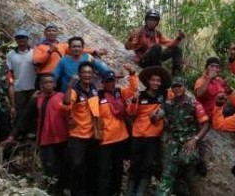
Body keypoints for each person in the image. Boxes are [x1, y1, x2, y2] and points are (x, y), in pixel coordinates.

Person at [1, 73, 69, 195]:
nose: (49, 85)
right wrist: (12, 137)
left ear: (54, 84)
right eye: (45, 83)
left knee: (64, 169)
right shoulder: (37, 99)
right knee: (50, 170)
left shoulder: (61, 96)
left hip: (63, 140)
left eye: (51, 82)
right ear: (40, 85)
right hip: (46, 141)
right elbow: (24, 119)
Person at [156, 77, 210, 196]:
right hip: (174, 141)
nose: (177, 89)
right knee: (167, 172)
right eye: (174, 86)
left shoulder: (194, 103)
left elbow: (206, 124)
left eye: (179, 86)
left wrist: (195, 139)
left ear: (185, 87)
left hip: (189, 140)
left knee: (184, 159)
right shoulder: (169, 104)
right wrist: (155, 115)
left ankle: (198, 159)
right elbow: (158, 115)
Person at [127, 66, 172, 196]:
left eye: (158, 81)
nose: (156, 83)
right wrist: (134, 100)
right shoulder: (140, 95)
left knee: (148, 165)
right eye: (153, 80)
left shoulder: (164, 94)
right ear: (148, 81)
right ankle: (130, 191)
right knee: (135, 164)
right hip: (138, 134)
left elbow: (178, 93)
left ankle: (140, 192)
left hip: (153, 136)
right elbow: (131, 112)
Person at [96, 64, 138, 196]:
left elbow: (133, 89)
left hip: (121, 138)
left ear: (115, 81)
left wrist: (132, 74)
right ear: (103, 83)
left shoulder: (119, 93)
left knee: (118, 169)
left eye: (112, 80)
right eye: (107, 81)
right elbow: (95, 117)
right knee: (104, 170)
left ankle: (115, 192)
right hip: (105, 140)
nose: (110, 83)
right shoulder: (98, 97)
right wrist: (97, 135)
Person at [63, 61, 101, 196]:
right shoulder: (75, 90)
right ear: (79, 74)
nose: (87, 75)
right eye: (84, 72)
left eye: (89, 72)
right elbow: (67, 104)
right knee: (77, 165)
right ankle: (74, 191)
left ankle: (88, 192)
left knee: (91, 165)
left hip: (93, 135)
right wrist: (69, 85)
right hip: (77, 135)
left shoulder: (94, 89)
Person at [125, 9, 185, 76]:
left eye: (154, 20)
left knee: (176, 49)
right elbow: (127, 47)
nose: (152, 22)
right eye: (150, 20)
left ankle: (177, 75)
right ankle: (158, 70)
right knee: (157, 46)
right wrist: (130, 41)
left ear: (157, 22)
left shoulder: (157, 33)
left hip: (156, 57)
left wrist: (179, 38)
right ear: (146, 20)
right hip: (143, 60)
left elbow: (169, 43)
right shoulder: (139, 32)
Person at [33, 24, 106, 76]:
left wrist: (94, 51)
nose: (51, 32)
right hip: (45, 76)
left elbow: (77, 49)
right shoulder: (39, 47)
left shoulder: (62, 45)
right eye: (49, 31)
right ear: (45, 33)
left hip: (60, 75)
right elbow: (38, 60)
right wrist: (49, 51)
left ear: (57, 33)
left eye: (54, 31)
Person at [6, 29, 37, 137]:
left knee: (33, 110)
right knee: (20, 111)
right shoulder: (10, 55)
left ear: (27, 39)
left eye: (23, 38)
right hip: (19, 87)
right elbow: (9, 71)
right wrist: (10, 83)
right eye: (19, 38)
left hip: (33, 86)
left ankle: (32, 132)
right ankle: (19, 133)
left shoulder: (34, 52)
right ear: (16, 40)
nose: (21, 40)